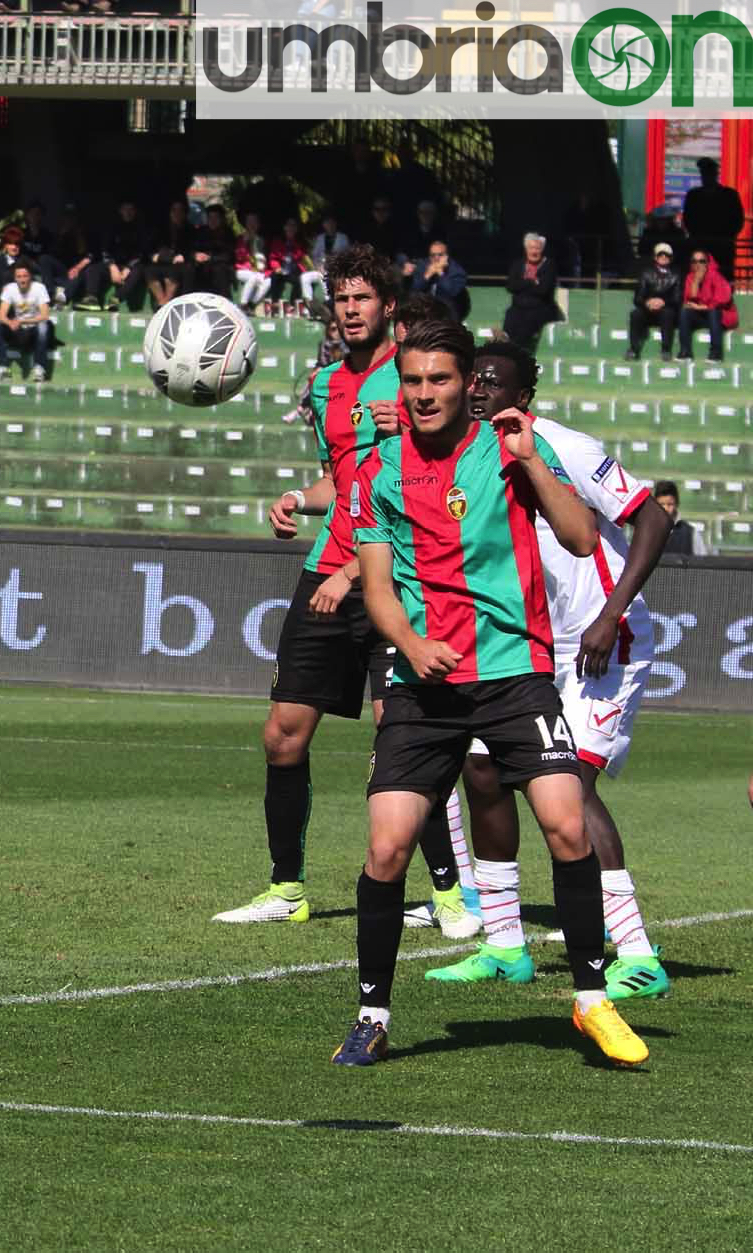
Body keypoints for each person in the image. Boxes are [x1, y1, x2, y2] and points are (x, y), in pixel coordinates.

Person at [340, 317, 648, 1068]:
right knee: (386, 848)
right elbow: (378, 588)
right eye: (411, 381)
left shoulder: (510, 448)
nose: (423, 394)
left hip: (514, 676)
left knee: (567, 825)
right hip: (423, 687)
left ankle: (591, 1000)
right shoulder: (378, 469)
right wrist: (412, 645)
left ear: (465, 381)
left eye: (439, 380)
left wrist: (531, 464)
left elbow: (579, 537)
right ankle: (372, 1014)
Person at [215, 245, 472, 936]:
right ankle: (286, 885)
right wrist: (300, 496)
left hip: (394, 576)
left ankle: (451, 894)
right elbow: (345, 476)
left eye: (363, 298)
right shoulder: (327, 382)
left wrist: (355, 571)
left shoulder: (417, 376)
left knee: (401, 737)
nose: (351, 309)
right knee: (281, 734)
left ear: (388, 306)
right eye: (342, 298)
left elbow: (431, 483)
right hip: (328, 568)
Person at [427, 340, 674, 1001]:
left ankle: (639, 953)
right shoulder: (469, 456)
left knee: (569, 785)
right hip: (527, 647)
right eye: (472, 379)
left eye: (493, 381)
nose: (478, 390)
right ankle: (505, 943)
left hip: (604, 639)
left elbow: (652, 518)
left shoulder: (565, 446)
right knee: (481, 767)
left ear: (523, 397)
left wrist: (611, 612)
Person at [682, 156, 744, 283]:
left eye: (709, 174)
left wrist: (728, 237)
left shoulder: (729, 195)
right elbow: (688, 219)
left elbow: (737, 219)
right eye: (705, 174)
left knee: (723, 280)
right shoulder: (694, 195)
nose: (706, 177)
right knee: (700, 280)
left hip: (722, 245)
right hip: (703, 243)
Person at [81, 200, 148, 313]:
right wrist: (112, 267)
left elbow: (141, 253)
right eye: (125, 209)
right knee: (93, 268)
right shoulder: (113, 227)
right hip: (114, 266)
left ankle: (115, 299)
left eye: (131, 209)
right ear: (120, 211)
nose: (128, 212)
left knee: (139, 270)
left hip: (131, 267)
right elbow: (105, 250)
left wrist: (128, 267)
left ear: (135, 212)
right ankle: (91, 299)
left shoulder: (140, 228)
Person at [0, 262, 53, 382]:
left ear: (30, 277)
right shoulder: (10, 288)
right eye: (19, 277)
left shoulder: (39, 288)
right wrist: (10, 323)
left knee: (43, 327)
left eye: (25, 276)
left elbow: (45, 315)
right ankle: (3, 367)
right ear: (15, 278)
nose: (22, 280)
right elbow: (1, 315)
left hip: (33, 330)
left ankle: (39, 368)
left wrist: (22, 320)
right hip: (17, 331)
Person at [503, 232, 562, 348]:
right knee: (510, 316)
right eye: (531, 248)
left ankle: (514, 350)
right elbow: (511, 286)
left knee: (527, 323)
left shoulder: (549, 265)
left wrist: (522, 285)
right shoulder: (518, 264)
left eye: (537, 248)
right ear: (526, 249)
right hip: (518, 306)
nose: (534, 252)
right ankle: (506, 344)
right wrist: (531, 282)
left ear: (542, 249)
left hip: (541, 308)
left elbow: (543, 290)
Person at [627, 241, 680, 361]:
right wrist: (648, 302)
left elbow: (677, 299)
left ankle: (666, 350)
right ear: (655, 257)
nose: (664, 257)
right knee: (635, 314)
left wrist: (663, 302)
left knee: (668, 313)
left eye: (667, 255)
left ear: (671, 258)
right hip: (648, 310)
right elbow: (638, 298)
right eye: (661, 254)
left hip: (666, 310)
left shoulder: (676, 275)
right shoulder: (646, 273)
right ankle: (633, 349)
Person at [677, 248, 732, 362]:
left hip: (719, 316)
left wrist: (703, 307)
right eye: (694, 261)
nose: (698, 264)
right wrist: (696, 281)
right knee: (684, 312)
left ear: (707, 263)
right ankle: (685, 352)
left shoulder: (716, 276)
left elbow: (723, 300)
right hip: (701, 316)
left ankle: (715, 353)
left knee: (713, 312)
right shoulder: (690, 277)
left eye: (701, 261)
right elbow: (689, 299)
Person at [403, 240, 469, 321]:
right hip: (424, 312)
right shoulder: (422, 266)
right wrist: (427, 275)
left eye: (440, 255)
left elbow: (451, 292)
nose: (436, 258)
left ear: (447, 256)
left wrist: (441, 273)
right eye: (433, 255)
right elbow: (414, 290)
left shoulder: (457, 271)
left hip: (448, 314)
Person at [145, 200, 193, 308]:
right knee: (149, 270)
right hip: (164, 260)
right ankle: (162, 300)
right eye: (174, 210)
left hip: (180, 264)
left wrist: (183, 256)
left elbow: (190, 249)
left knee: (173, 272)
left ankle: (164, 304)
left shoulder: (189, 229)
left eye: (180, 210)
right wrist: (154, 255)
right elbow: (153, 247)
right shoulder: (161, 228)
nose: (177, 213)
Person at [654, 480, 711, 556]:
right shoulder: (646, 532)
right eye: (661, 504)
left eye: (670, 504)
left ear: (676, 504)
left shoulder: (691, 533)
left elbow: (703, 563)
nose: (666, 509)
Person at [233, 210, 273, 310]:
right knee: (253, 277)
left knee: (268, 281)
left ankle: (251, 304)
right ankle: (242, 304)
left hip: (258, 271)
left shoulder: (262, 240)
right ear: (245, 223)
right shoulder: (240, 238)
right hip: (241, 270)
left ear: (258, 224)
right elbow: (238, 257)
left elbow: (265, 259)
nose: (252, 224)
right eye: (249, 221)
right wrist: (245, 242)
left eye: (254, 221)